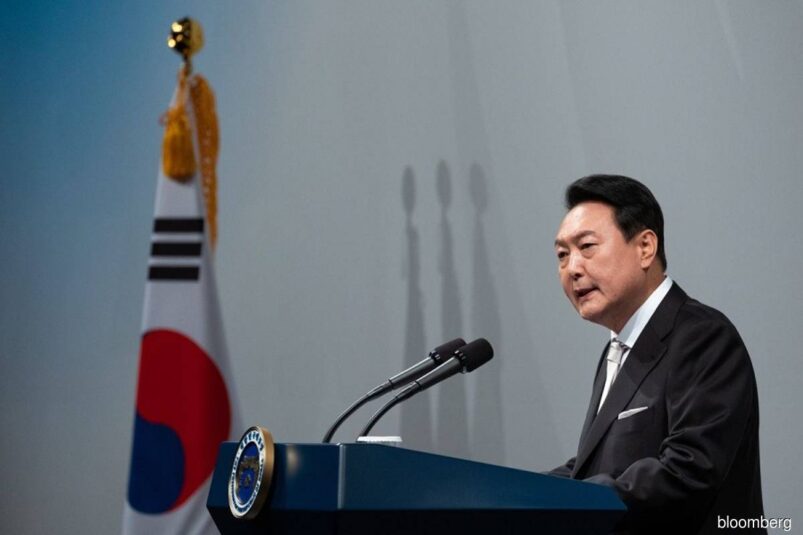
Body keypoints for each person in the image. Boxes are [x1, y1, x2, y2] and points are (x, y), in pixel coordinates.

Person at [549, 174, 765, 534]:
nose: (572, 268)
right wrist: (517, 493)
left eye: (586, 247)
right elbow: (596, 467)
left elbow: (689, 468)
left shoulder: (702, 336)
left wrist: (575, 500)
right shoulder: (615, 351)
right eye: (562, 255)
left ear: (645, 247)